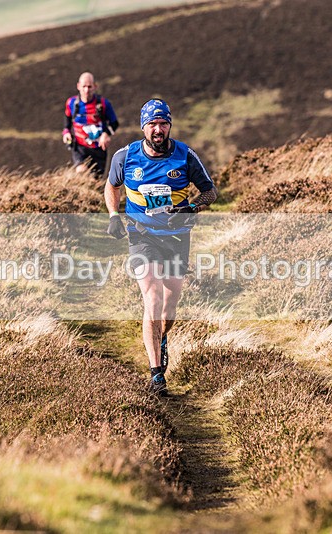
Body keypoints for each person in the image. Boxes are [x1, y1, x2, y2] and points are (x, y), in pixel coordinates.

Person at [104, 99, 218, 396]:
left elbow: (210, 191)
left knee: (170, 304)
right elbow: (111, 185)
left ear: (169, 125)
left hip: (177, 236)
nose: (158, 129)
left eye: (163, 123)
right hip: (142, 235)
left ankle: (162, 337)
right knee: (152, 296)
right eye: (152, 124)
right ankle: (156, 374)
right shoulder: (126, 156)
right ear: (144, 127)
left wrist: (191, 207)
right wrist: (114, 215)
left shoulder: (185, 155)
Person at [62, 72, 119, 176]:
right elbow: (67, 119)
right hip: (80, 147)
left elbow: (114, 123)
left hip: (99, 148)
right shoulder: (72, 103)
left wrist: (106, 134)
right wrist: (66, 132)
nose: (86, 90)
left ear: (95, 87)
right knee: (81, 171)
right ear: (78, 86)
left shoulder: (103, 104)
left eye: (89, 87)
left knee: (95, 179)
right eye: (84, 86)